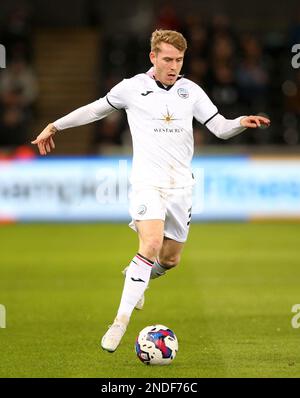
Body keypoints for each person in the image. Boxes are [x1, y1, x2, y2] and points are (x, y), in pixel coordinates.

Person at [31, 29, 270, 353]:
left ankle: (136, 273)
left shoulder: (191, 91)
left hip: (182, 187)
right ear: (153, 57)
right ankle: (120, 322)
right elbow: (95, 109)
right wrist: (55, 124)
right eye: (168, 59)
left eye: (179, 60)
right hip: (147, 183)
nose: (173, 66)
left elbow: (219, 127)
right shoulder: (132, 88)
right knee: (152, 243)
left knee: (169, 260)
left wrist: (241, 121)